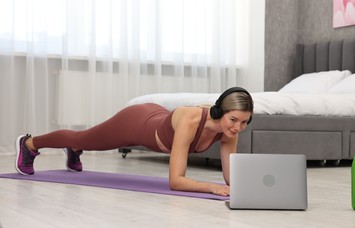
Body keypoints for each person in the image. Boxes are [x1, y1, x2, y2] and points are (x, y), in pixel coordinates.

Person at [15, 87, 253, 196]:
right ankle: (29, 144)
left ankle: (75, 149)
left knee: (83, 141)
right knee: (84, 137)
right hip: (137, 122)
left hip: (156, 115)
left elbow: (230, 179)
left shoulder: (229, 130)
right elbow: (176, 182)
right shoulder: (191, 120)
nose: (238, 127)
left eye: (244, 122)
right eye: (234, 119)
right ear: (219, 111)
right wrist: (212, 187)